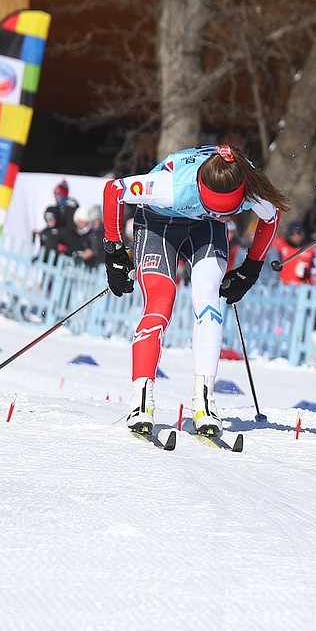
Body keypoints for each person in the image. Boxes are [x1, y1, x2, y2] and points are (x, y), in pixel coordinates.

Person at [102, 144, 290, 438]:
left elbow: (271, 217)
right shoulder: (169, 186)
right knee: (161, 302)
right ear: (202, 189)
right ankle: (141, 400)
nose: (219, 211)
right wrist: (113, 251)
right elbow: (114, 191)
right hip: (158, 224)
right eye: (214, 206)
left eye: (226, 211)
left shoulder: (250, 187)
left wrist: (251, 267)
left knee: (208, 302)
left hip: (206, 229)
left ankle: (204, 404)